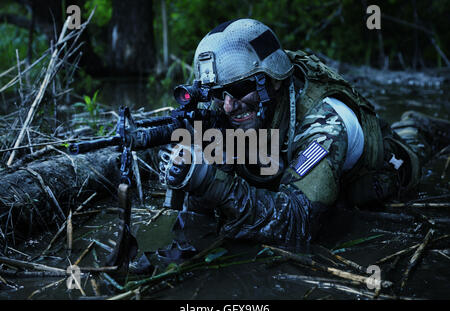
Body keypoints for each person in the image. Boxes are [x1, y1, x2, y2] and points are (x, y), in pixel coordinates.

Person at [154, 19, 449, 251]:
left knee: (413, 141)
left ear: (276, 81)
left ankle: (419, 125)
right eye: (219, 93)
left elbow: (296, 224)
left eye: (242, 89)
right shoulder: (233, 109)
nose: (229, 105)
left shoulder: (325, 123)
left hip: (387, 167)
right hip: (292, 162)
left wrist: (211, 181)